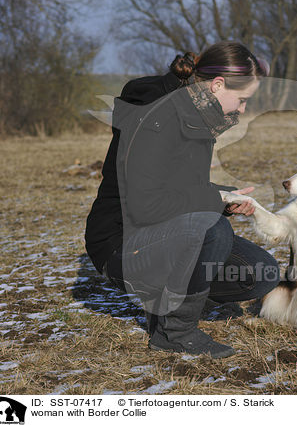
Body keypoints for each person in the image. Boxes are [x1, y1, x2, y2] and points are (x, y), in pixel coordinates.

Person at [84, 42, 279, 359]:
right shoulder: (156, 118)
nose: (243, 109)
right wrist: (213, 199)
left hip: (161, 231)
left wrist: (225, 196)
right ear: (217, 85)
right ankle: (174, 332)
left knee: (260, 273)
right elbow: (145, 205)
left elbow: (180, 187)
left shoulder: (195, 113)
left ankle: (170, 298)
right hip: (122, 243)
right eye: (242, 100)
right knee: (213, 228)